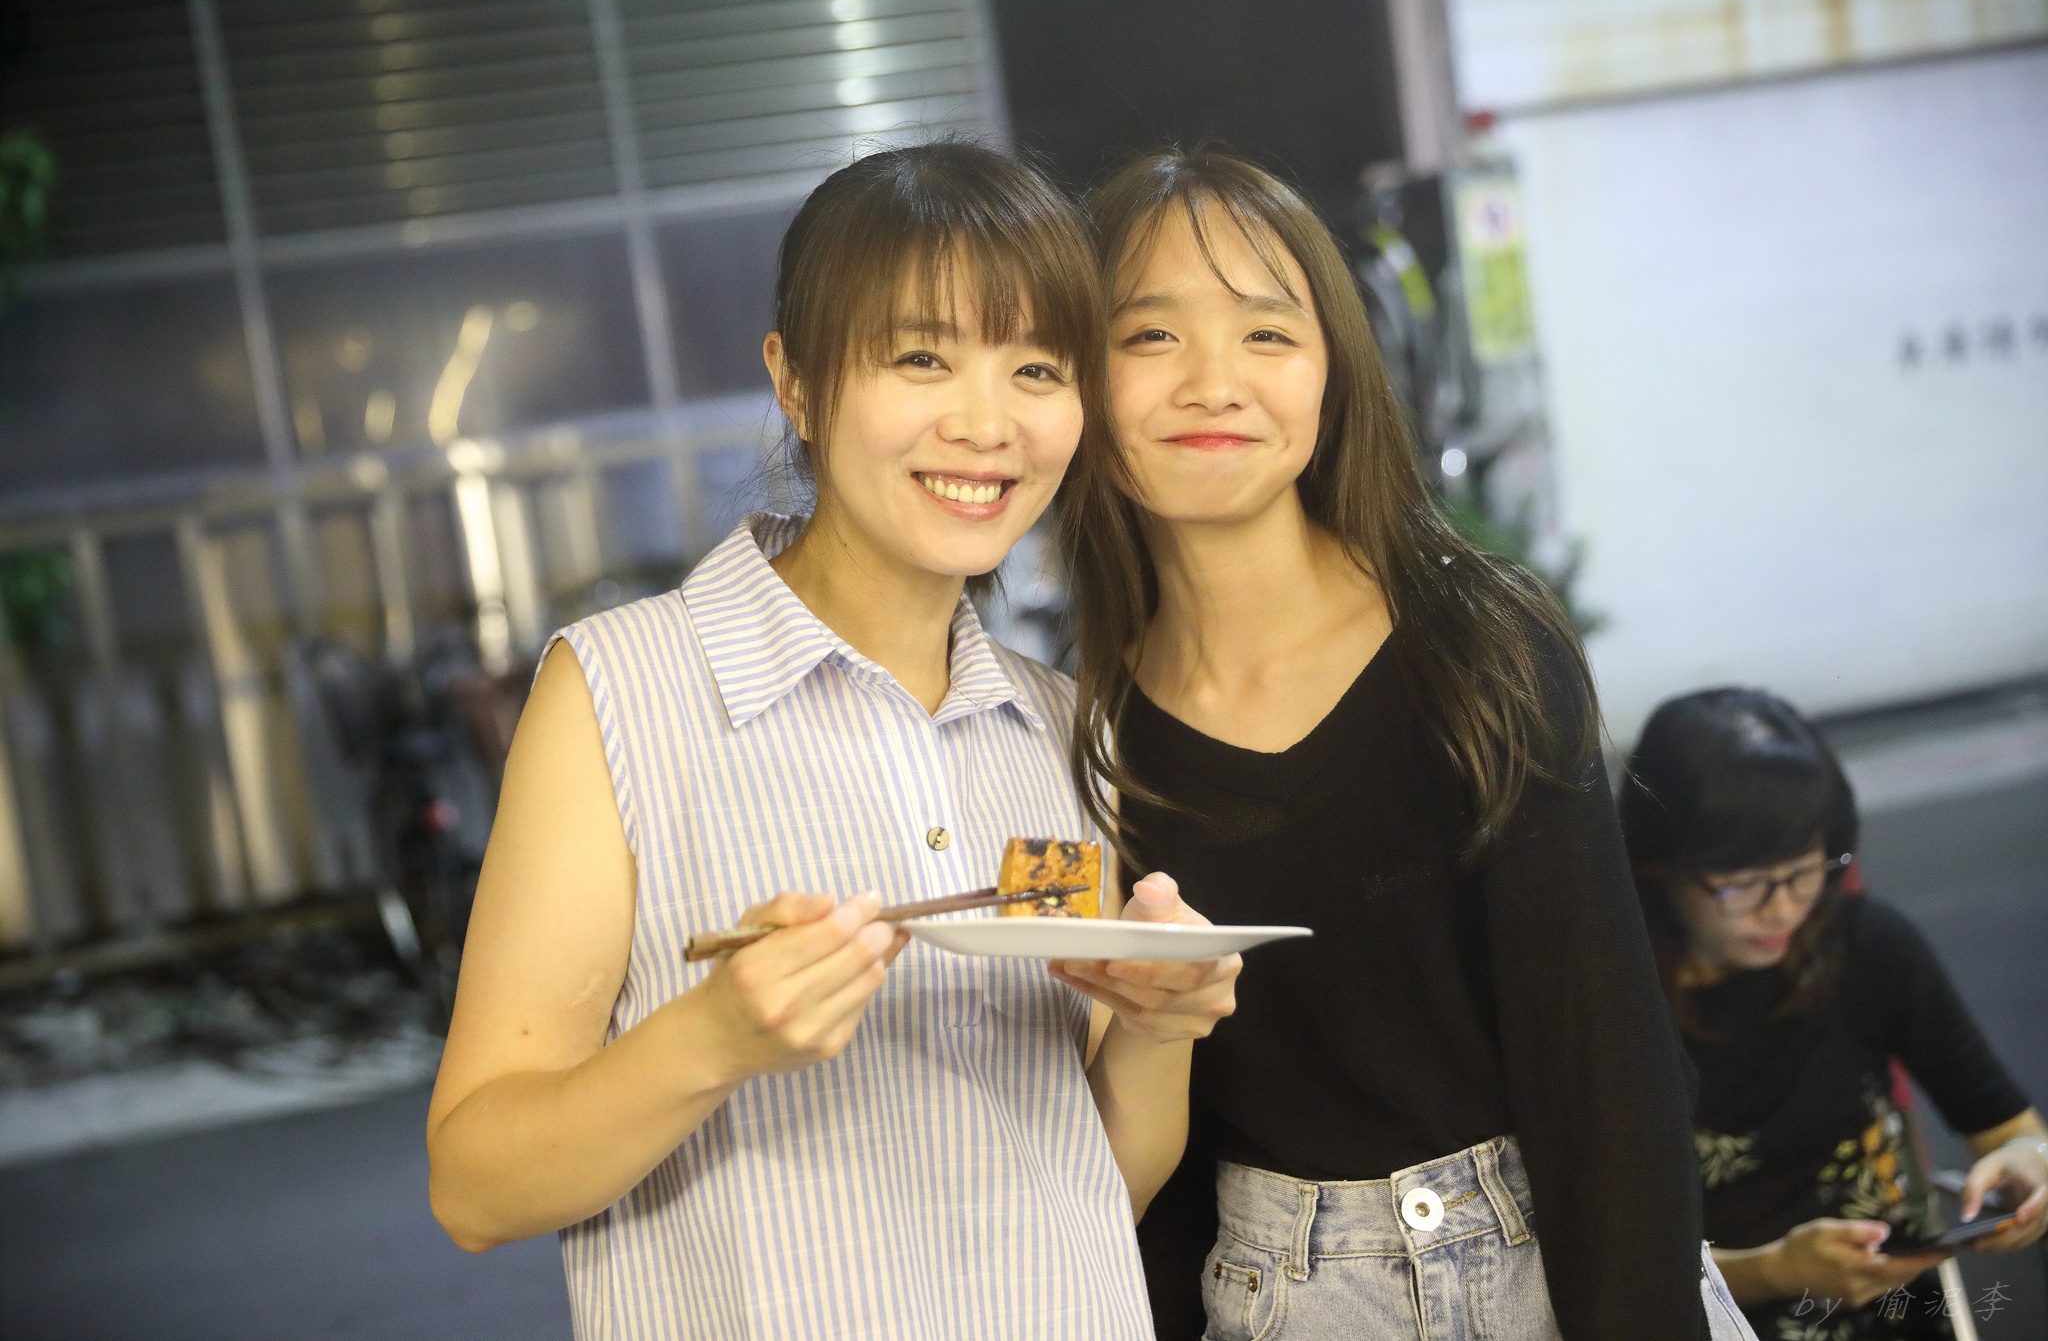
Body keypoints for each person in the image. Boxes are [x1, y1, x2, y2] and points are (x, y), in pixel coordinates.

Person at [423, 142, 1239, 1341]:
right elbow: (473, 1187)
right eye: (921, 358)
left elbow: (1096, 1189)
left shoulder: (1060, 726)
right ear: (795, 382)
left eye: (1036, 369)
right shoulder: (618, 691)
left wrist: (1159, 1028)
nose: (986, 424)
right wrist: (708, 1040)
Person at [1054, 147, 1753, 1340]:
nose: (1213, 383)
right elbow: (1153, 1163)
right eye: (1149, 336)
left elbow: (1602, 1070)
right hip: (1279, 1295)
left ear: (1333, 371)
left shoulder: (1476, 641)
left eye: (1266, 334)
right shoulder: (1087, 735)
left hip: (1547, 1267)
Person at [1622, 687, 2048, 1340]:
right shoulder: (1615, 1010)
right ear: (1660, 867)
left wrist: (2030, 1165)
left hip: (1899, 1313)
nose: (1783, 909)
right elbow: (1610, 1266)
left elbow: (2010, 1127)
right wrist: (1774, 1270)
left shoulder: (1865, 946)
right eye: (1743, 884)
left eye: (1805, 871)